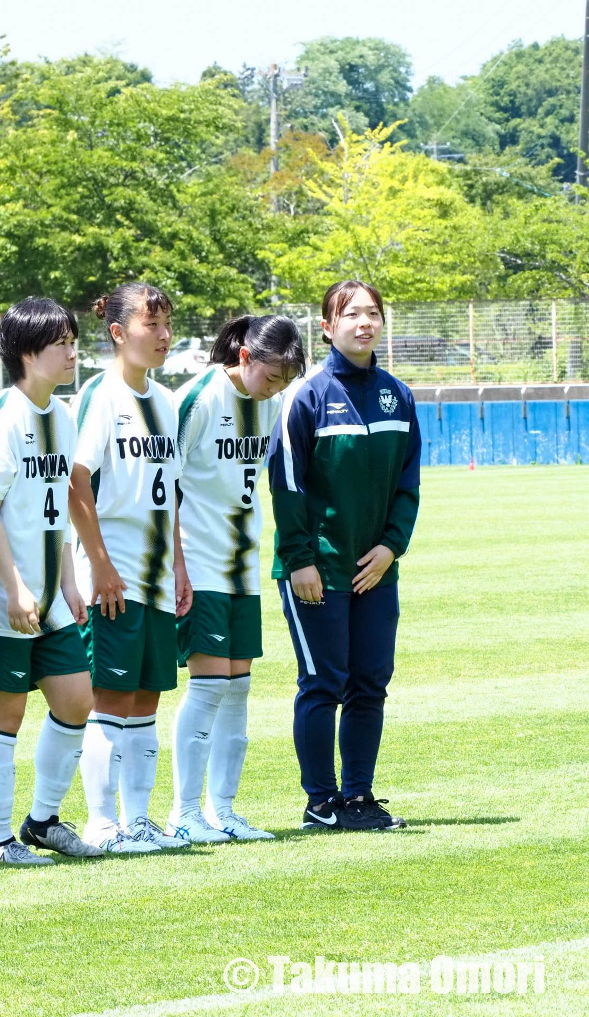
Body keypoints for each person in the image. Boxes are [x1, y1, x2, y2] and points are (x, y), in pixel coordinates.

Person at [267, 280, 420, 832]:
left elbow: (408, 485)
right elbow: (286, 484)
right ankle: (320, 801)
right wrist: (300, 557)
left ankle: (358, 797)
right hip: (318, 569)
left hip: (375, 569)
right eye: (350, 314)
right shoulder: (304, 395)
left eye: (373, 313)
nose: (364, 322)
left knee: (370, 681)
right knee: (324, 681)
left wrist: (390, 547)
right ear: (327, 327)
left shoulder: (398, 395)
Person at [0, 299, 101, 865]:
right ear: (28, 353)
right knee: (4, 715)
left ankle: (42, 822)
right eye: (61, 343)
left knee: (77, 700)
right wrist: (11, 585)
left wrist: (69, 580)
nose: (74, 353)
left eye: (74, 341)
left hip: (50, 595)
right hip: (8, 594)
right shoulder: (3, 415)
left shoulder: (64, 416)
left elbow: (57, 511)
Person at [166, 314, 304, 844]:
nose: (275, 390)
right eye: (270, 378)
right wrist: (176, 562)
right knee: (207, 686)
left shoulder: (269, 403)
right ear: (245, 357)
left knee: (238, 687)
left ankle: (223, 810)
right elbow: (166, 483)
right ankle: (185, 813)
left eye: (285, 383)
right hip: (199, 560)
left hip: (241, 562)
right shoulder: (197, 400)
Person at [71, 282, 193, 855]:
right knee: (110, 699)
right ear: (119, 333)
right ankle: (101, 822)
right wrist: (99, 565)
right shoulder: (100, 397)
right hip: (113, 576)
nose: (163, 335)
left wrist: (181, 566)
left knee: (146, 698)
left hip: (158, 576)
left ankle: (138, 821)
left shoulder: (166, 402)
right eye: (152, 324)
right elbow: (77, 483)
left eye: (167, 324)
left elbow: (167, 494)